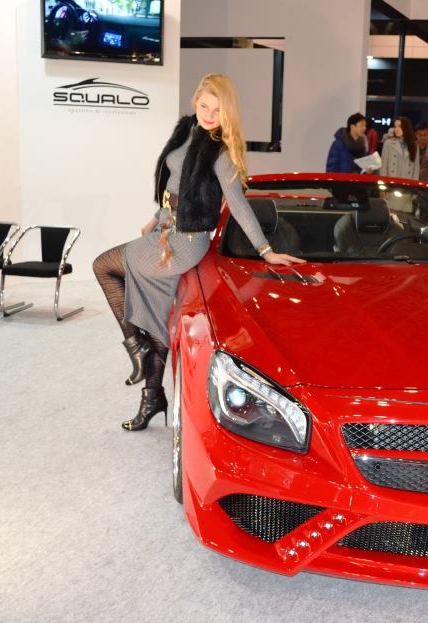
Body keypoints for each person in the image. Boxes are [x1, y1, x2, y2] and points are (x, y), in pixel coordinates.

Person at [92, 73, 304, 432]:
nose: (209, 115)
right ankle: (152, 397)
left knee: (103, 266)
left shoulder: (220, 151)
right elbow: (174, 185)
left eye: (217, 110)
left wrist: (266, 250)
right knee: (159, 313)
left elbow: (238, 205)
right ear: (195, 101)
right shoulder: (185, 131)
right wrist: (156, 217)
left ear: (227, 113)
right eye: (205, 106)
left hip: (186, 242)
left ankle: (136, 347)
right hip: (165, 230)